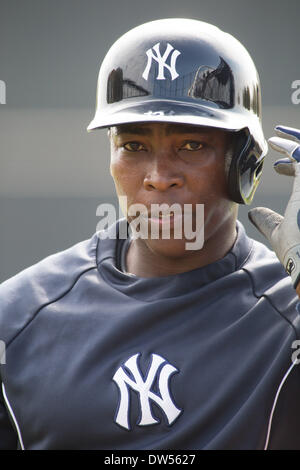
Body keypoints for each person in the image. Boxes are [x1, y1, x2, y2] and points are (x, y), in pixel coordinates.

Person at [1, 18, 300, 451]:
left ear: (245, 165)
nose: (159, 178)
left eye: (192, 145)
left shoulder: (288, 313)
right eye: (134, 146)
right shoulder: (18, 319)